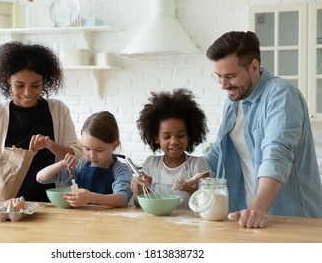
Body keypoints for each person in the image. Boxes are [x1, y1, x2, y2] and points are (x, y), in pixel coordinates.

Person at [205, 30, 322, 228]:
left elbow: (276, 154)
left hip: (293, 220)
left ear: (254, 66)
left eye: (231, 76)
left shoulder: (281, 95)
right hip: (250, 217)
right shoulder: (235, 98)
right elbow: (220, 150)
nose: (224, 85)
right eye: (219, 76)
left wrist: (258, 208)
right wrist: (191, 170)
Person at [0, 41, 82, 202]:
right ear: (8, 80)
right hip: (4, 205)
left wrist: (51, 145)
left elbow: (77, 155)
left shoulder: (58, 110)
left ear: (44, 81)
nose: (27, 93)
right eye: (19, 85)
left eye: (35, 85)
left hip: (52, 205)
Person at [130, 88, 211, 209]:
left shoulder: (198, 165)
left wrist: (191, 189)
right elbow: (138, 204)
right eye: (166, 136)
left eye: (181, 135)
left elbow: (208, 204)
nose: (174, 141)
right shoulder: (151, 164)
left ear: (189, 135)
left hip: (189, 227)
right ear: (156, 138)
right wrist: (139, 191)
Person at [36, 111, 133, 208]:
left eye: (99, 150)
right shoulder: (80, 166)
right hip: (82, 220)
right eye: (87, 149)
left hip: (109, 221)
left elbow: (122, 199)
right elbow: (41, 178)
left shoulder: (120, 169)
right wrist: (63, 163)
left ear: (115, 145)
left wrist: (91, 197)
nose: (92, 155)